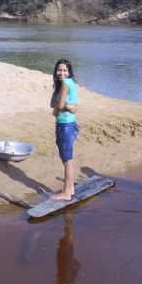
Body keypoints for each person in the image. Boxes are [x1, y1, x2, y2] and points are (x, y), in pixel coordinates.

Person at [50, 59, 79, 200]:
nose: (62, 73)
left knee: (67, 160)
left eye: (65, 70)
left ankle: (67, 193)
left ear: (69, 72)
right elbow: (53, 104)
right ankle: (70, 188)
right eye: (59, 70)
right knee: (66, 158)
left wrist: (64, 106)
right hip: (66, 124)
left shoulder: (66, 83)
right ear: (55, 71)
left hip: (66, 125)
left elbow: (59, 106)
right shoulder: (61, 85)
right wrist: (69, 106)